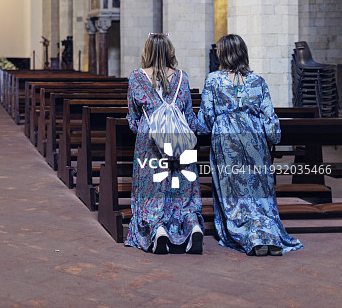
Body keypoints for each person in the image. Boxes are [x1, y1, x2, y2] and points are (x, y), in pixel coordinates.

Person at [198, 34, 302, 256]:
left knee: (234, 193)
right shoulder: (258, 81)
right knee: (259, 190)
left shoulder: (214, 80)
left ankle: (251, 237)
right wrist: (273, 139)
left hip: (227, 141)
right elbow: (270, 117)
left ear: (223, 54)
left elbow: (206, 119)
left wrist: (198, 128)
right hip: (255, 138)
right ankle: (269, 235)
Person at [126, 33, 204, 254]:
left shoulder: (136, 78)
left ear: (147, 51)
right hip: (180, 140)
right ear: (170, 51)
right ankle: (192, 225)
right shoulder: (182, 78)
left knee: (153, 189)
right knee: (182, 188)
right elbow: (190, 118)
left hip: (150, 141)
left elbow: (133, 118)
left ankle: (158, 228)